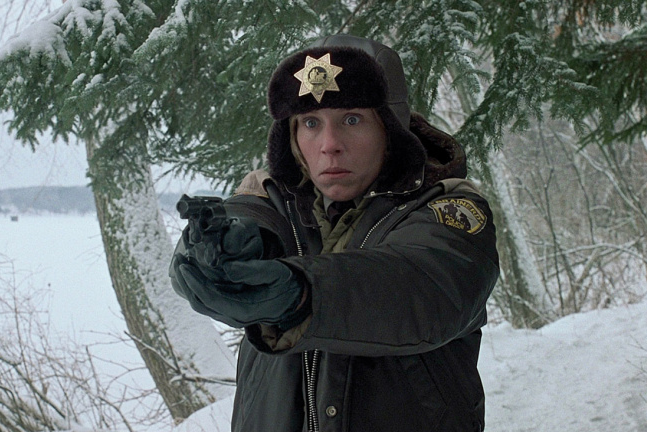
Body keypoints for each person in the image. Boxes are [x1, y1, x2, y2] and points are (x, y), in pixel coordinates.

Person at [170, 34, 499, 432]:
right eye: (311, 123)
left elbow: (423, 288)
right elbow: (249, 220)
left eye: (352, 119)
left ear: (390, 129)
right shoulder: (272, 200)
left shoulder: (448, 207)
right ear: (292, 138)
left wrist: (302, 295)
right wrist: (215, 251)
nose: (329, 145)